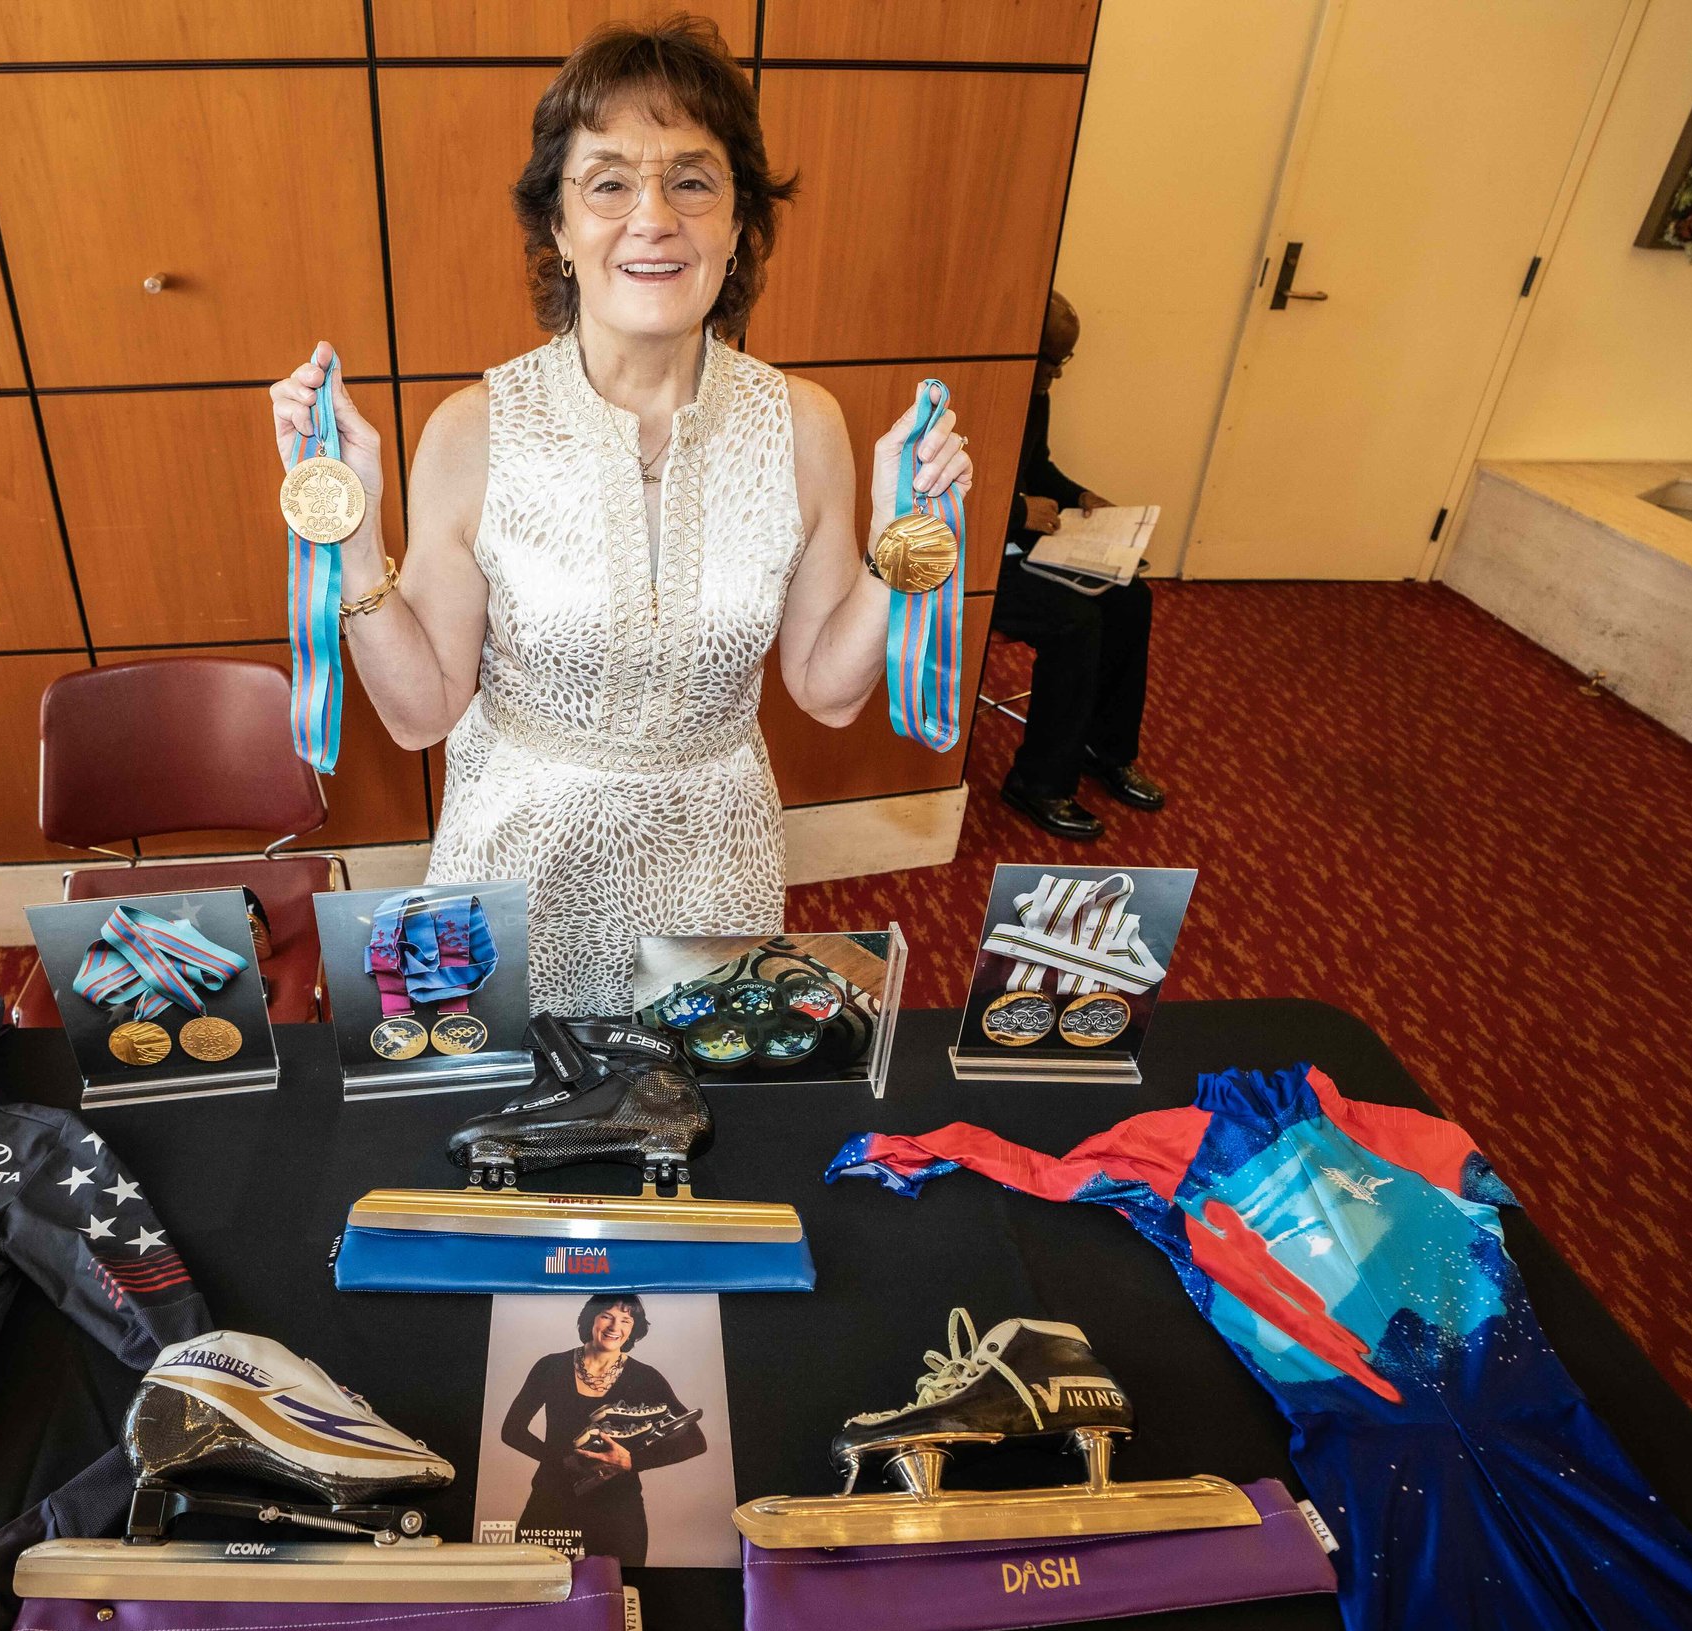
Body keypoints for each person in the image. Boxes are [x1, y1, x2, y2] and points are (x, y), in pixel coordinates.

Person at [270, 17, 976, 1016]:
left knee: (693, 1121)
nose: (652, 216)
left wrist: (909, 541)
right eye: (607, 183)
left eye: (692, 180)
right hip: (513, 854)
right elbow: (422, 710)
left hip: (711, 857)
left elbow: (828, 692)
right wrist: (352, 538)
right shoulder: (474, 428)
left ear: (738, 227)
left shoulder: (804, 424)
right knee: (500, 1133)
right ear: (558, 227)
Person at [991, 292, 1169, 841]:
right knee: (1075, 621)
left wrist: (1080, 496)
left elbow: (1034, 465)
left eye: (1064, 362)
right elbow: (933, 493)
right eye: (1052, 360)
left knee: (1130, 597)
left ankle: (1103, 747)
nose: (1057, 375)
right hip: (968, 563)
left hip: (1022, 545)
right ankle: (1039, 781)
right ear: (1022, 350)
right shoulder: (980, 388)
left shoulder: (1035, 390)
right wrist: (1021, 510)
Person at [499, 1294, 707, 1568]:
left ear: (634, 1328)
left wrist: (631, 1461)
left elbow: (695, 1440)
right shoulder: (550, 1366)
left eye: (625, 1320)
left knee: (618, 1592)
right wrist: (561, 1462)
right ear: (591, 1319)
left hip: (617, 1506)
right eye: (606, 1316)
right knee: (531, 1593)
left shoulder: (646, 1378)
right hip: (551, 1499)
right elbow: (512, 1430)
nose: (614, 1327)